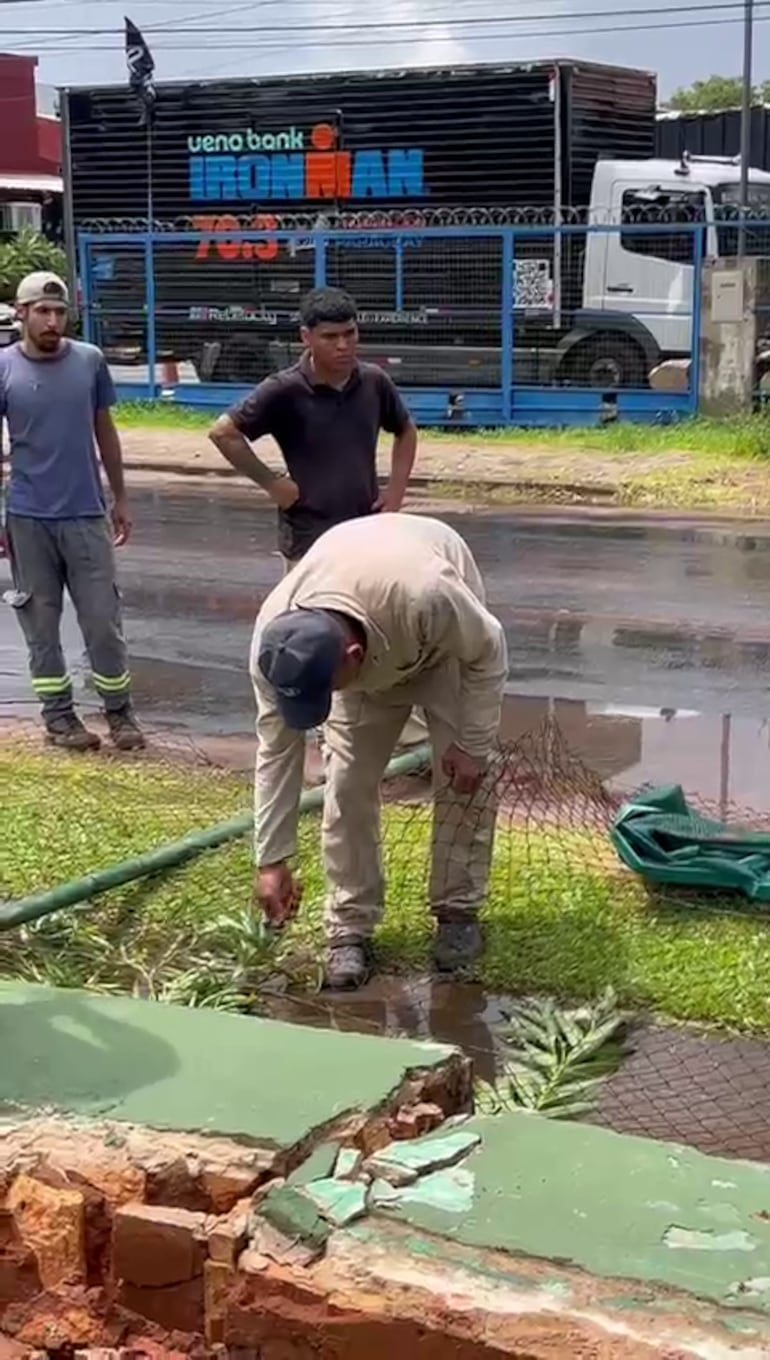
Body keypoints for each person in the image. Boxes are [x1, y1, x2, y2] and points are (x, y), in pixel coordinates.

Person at [251, 513, 507, 991]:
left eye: (322, 695)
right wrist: (272, 860)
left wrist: (471, 746)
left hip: (438, 648)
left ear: (350, 659)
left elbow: (488, 651)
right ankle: (350, 927)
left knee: (464, 778)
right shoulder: (277, 644)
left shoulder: (430, 595)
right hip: (363, 636)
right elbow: (277, 750)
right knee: (345, 787)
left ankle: (458, 912)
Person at [0, 271, 144, 753]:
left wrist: (120, 498)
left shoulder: (89, 361)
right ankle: (59, 719)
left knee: (102, 620)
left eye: (60, 312)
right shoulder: (4, 368)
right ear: (21, 313)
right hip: (26, 518)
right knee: (40, 624)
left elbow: (106, 432)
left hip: (86, 514)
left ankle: (119, 713)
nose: (52, 320)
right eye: (42, 311)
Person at [208, 285, 418, 568]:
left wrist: (395, 494)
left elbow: (405, 430)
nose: (343, 345)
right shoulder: (285, 389)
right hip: (308, 541)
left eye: (349, 333)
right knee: (307, 612)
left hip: (365, 533)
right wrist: (273, 484)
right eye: (330, 337)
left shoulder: (373, 382)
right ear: (306, 337)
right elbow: (223, 433)